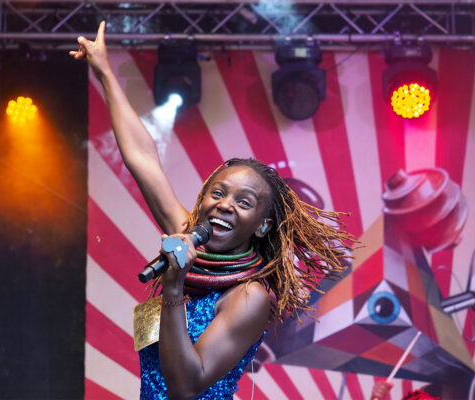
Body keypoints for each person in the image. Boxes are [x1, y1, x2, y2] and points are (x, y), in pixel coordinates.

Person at [71, 22, 355, 400]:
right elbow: (142, 158)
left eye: (243, 201)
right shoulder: (188, 239)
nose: (224, 204)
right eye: (217, 193)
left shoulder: (250, 295)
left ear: (262, 225)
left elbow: (187, 386)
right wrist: (105, 71)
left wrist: (173, 286)